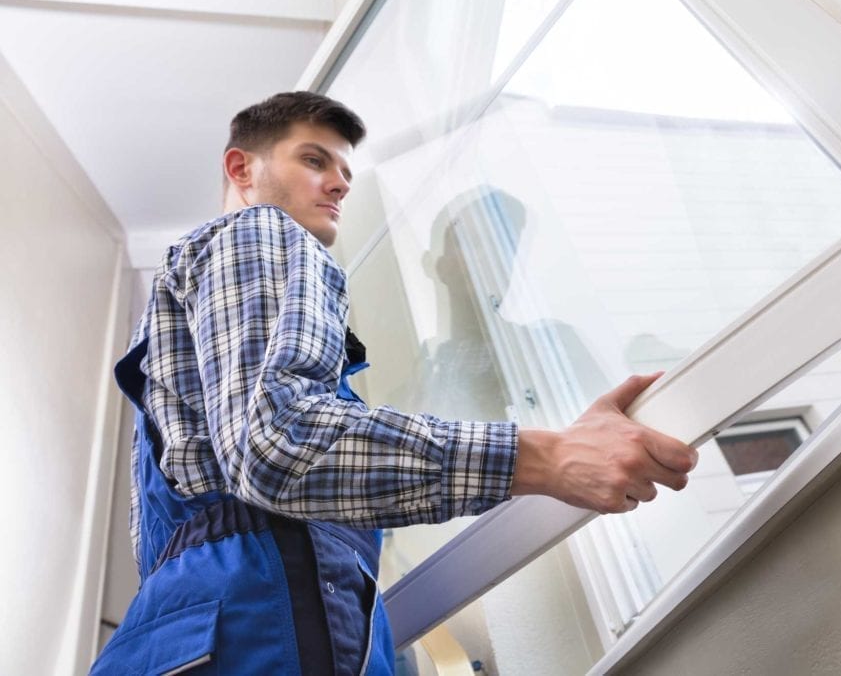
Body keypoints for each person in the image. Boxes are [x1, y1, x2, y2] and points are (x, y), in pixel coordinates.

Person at [90, 92, 697, 675]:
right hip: (257, 630)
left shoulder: (180, 321)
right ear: (240, 168)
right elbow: (277, 443)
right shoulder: (262, 232)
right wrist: (548, 455)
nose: (338, 183)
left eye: (345, 173)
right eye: (312, 159)